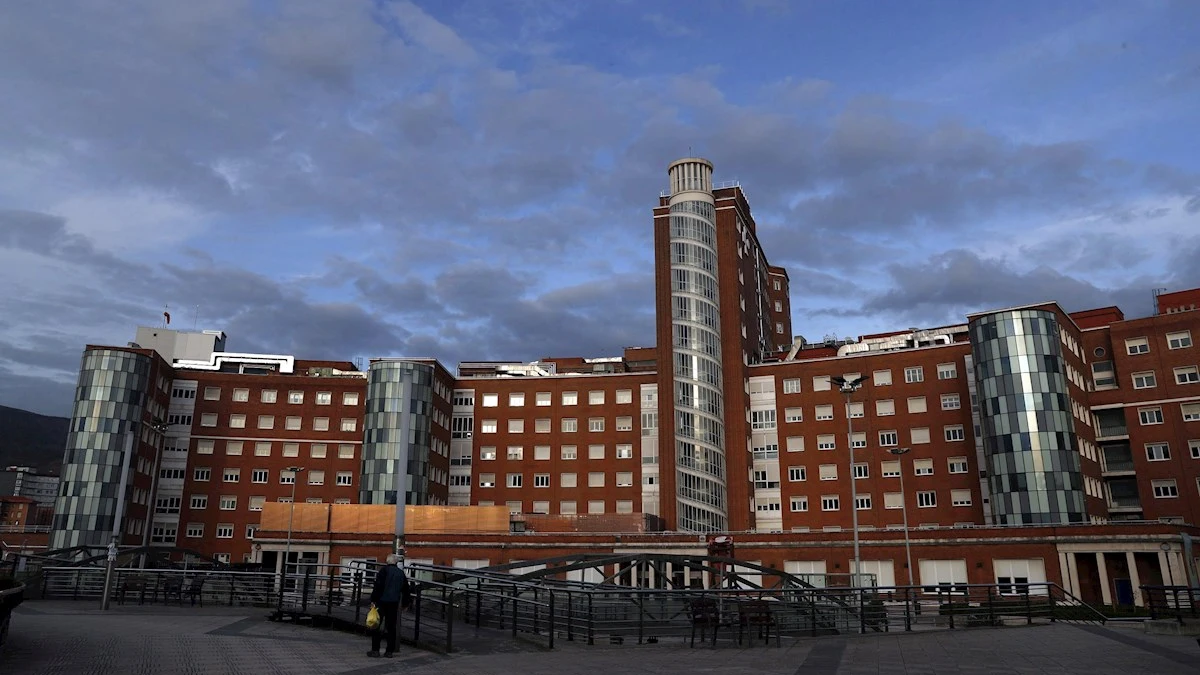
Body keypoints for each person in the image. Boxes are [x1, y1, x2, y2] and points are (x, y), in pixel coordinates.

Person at [367, 554, 412, 658]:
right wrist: (406, 603)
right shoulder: (401, 573)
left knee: (376, 625)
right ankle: (389, 651)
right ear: (396, 562)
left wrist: (373, 600)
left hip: (381, 602)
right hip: (394, 603)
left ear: (387, 561)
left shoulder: (383, 571)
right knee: (391, 627)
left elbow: (378, 586)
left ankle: (375, 650)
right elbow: (406, 589)